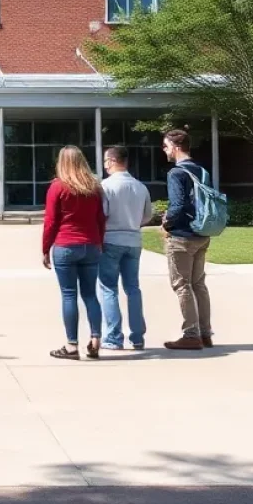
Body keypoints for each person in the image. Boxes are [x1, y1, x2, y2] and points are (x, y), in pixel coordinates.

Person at [42, 145, 106, 361]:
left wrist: (45, 249)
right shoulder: (94, 187)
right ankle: (96, 339)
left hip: (66, 245)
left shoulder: (58, 187)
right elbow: (100, 219)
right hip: (91, 245)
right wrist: (100, 242)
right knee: (90, 294)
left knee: (69, 294)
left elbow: (50, 222)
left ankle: (71, 346)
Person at [161, 128, 212, 351]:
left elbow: (178, 205)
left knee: (182, 285)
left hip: (181, 236)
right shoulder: (201, 171)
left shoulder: (176, 173)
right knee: (199, 284)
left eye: (165, 146)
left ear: (175, 147)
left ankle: (191, 334)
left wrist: (166, 223)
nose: (164, 150)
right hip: (201, 233)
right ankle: (205, 332)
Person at [98, 146, 154, 350]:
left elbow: (102, 215)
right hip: (133, 240)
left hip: (111, 239)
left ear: (112, 160)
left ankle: (113, 337)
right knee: (132, 288)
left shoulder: (105, 186)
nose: (105, 165)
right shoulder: (140, 187)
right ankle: (137, 335)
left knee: (108, 288)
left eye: (105, 161)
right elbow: (147, 215)